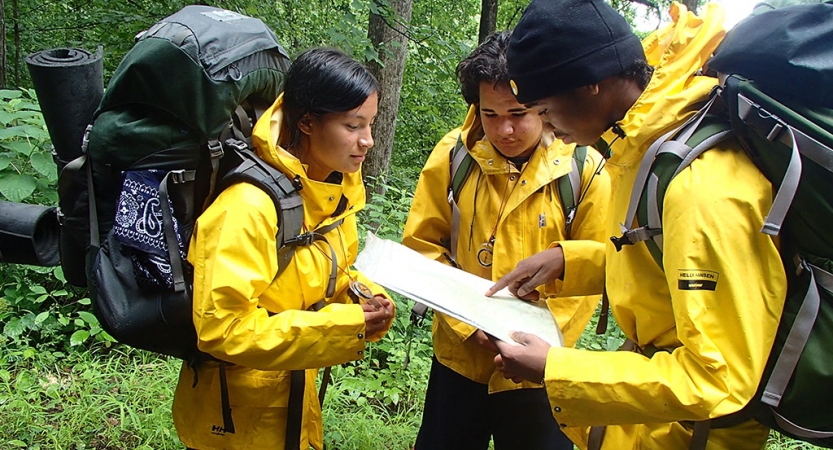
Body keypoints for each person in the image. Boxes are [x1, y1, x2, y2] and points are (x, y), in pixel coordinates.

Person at [486, 1, 787, 449]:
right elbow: (663, 262)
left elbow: (717, 379)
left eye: (544, 111)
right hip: (651, 422)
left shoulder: (700, 187)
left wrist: (556, 369)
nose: (546, 129)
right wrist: (569, 262)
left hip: (691, 434)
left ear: (591, 83)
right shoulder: (639, 145)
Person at [171, 47, 396, 450]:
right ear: (307, 122)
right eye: (352, 125)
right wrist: (344, 326)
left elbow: (330, 268)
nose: (368, 141)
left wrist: (364, 295)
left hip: (294, 399)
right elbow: (222, 329)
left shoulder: (331, 191)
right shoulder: (247, 207)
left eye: (370, 124)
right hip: (235, 419)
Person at [402, 31, 610, 450]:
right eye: (490, 114)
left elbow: (599, 265)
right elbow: (422, 248)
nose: (505, 129)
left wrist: (543, 340)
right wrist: (466, 324)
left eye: (519, 112)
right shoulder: (453, 156)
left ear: (544, 105)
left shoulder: (584, 168)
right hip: (459, 361)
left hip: (540, 368)